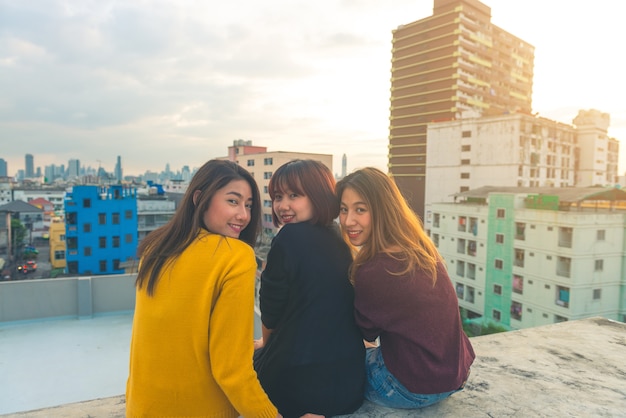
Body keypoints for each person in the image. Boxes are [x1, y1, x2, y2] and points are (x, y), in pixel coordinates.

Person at [126, 160, 280, 418]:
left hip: (142, 408)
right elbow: (231, 371)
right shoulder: (235, 256)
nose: (243, 215)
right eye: (233, 201)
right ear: (200, 198)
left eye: (249, 205)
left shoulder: (156, 248)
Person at [336, 167, 475, 410]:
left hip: (411, 388)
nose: (348, 221)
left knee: (333, 368)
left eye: (360, 209)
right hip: (454, 375)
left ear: (382, 211)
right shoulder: (419, 248)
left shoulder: (376, 269)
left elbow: (366, 334)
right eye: (343, 209)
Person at [253, 159, 365, 418]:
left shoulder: (288, 237)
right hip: (348, 386)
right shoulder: (340, 236)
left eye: (294, 195)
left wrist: (266, 346)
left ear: (318, 195)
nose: (283, 205)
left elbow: (270, 308)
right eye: (277, 197)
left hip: (297, 386)